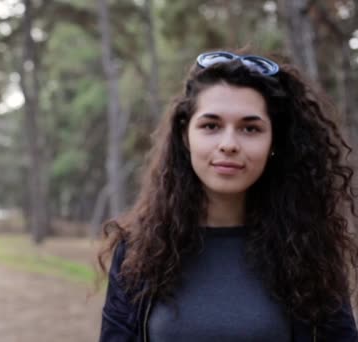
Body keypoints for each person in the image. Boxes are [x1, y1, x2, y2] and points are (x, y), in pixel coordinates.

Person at [98, 50, 358, 341]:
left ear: (273, 142)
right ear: (185, 136)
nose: (229, 144)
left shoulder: (311, 251)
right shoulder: (137, 252)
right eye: (211, 126)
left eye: (250, 128)